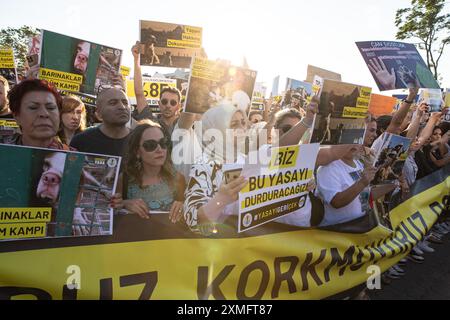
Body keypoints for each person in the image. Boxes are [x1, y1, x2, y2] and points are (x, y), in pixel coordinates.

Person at [111, 120, 185, 223]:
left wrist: (183, 205)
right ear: (137, 152)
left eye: (163, 143)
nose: (159, 149)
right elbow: (113, 212)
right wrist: (124, 203)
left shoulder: (177, 177)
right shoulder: (124, 179)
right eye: (150, 145)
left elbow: (189, 208)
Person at [316, 147, 377, 226]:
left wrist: (394, 184)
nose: (354, 145)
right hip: (339, 230)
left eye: (358, 139)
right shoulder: (329, 167)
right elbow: (336, 202)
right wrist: (362, 182)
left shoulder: (357, 163)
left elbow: (365, 194)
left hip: (360, 225)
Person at [131, 42, 182, 134]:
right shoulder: (152, 122)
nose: (168, 105)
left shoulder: (184, 125)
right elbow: (139, 94)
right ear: (159, 103)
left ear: (179, 106)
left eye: (173, 102)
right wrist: (136, 59)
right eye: (164, 101)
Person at [4, 79, 69, 150]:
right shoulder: (3, 152)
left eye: (51, 108)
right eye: (33, 107)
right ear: (16, 116)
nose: (44, 113)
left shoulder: (75, 159)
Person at [70, 87, 130, 157]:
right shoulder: (81, 141)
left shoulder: (139, 140)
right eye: (113, 103)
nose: (122, 107)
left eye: (125, 102)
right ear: (98, 114)